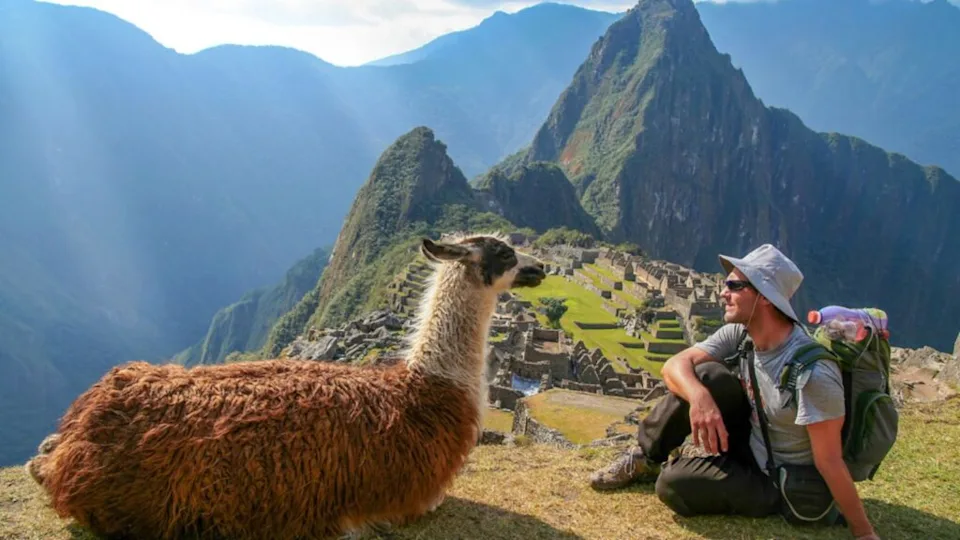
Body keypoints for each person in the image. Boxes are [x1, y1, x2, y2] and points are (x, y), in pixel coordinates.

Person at [588, 244, 879, 540]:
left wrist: (863, 531)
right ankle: (645, 459)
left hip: (778, 478)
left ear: (765, 298)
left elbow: (829, 461)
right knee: (705, 376)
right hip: (750, 442)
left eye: (734, 286)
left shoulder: (813, 373)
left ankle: (692, 472)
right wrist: (700, 399)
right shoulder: (742, 334)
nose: (723, 292)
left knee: (673, 485)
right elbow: (674, 366)